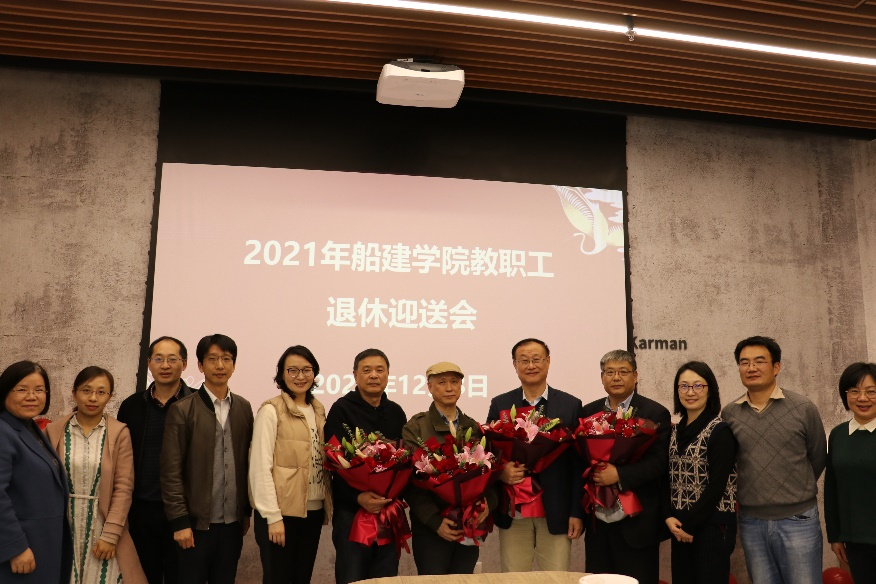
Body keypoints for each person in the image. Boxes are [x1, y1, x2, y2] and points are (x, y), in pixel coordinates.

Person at [722, 335, 826, 584]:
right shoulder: (730, 413)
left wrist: (795, 488)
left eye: (759, 361)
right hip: (751, 521)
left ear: (776, 367)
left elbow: (818, 456)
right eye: (744, 362)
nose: (751, 368)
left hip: (798, 519)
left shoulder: (803, 407)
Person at [160, 334, 254, 584]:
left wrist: (245, 512)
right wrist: (180, 522)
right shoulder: (182, 409)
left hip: (232, 524)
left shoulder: (243, 408)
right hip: (194, 525)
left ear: (234, 365)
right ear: (201, 366)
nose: (220, 365)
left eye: (226, 359)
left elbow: (246, 464)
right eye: (212, 359)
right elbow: (170, 472)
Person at [485, 338, 584, 572]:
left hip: (556, 510)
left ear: (548, 362)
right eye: (524, 360)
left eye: (536, 359)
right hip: (514, 511)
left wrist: (576, 512)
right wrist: (501, 472)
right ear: (515, 364)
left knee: (556, 577)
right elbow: (488, 453)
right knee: (514, 577)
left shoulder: (570, 405)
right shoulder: (500, 403)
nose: (531, 365)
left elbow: (578, 464)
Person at [46, 366, 147, 584]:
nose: (93, 398)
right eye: (86, 390)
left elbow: (123, 487)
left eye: (101, 392)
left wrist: (111, 535)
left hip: (102, 527)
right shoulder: (54, 431)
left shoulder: (119, 432)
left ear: (110, 396)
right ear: (74, 393)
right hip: (63, 526)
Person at [580, 349, 671, 584]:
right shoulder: (588, 413)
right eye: (610, 372)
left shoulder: (655, 413)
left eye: (623, 372)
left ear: (635, 376)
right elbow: (579, 462)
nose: (616, 378)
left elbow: (659, 464)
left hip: (637, 524)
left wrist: (619, 475)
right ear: (602, 378)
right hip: (598, 526)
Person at [402, 361, 497, 575]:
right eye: (442, 382)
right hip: (432, 528)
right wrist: (435, 521)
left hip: (468, 523)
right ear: (429, 387)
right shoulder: (415, 427)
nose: (449, 388)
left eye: (454, 382)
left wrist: (488, 504)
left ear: (461, 387)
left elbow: (489, 474)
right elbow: (412, 481)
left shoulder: (473, 427)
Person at [323, 348, 407, 584]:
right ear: (355, 375)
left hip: (387, 512)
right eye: (367, 370)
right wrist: (358, 497)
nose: (373, 375)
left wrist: (391, 496)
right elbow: (334, 462)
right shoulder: (341, 409)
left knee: (386, 579)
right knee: (352, 577)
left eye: (380, 370)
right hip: (352, 512)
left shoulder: (396, 412)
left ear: (388, 374)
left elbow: (404, 461)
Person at [249, 345, 331, 584]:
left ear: (314, 373)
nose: (300, 376)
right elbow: (260, 467)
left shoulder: (318, 410)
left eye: (306, 370)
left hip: (312, 511)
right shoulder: (271, 410)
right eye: (292, 370)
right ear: (282, 375)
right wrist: (272, 516)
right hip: (280, 514)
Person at [117, 336, 193, 584]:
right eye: (158, 359)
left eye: (172, 359)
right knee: (142, 578)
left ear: (184, 363)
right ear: (149, 363)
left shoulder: (197, 404)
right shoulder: (131, 406)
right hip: (141, 512)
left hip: (183, 513)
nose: (165, 365)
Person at [663, 361, 737, 584]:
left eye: (698, 386)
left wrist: (690, 525)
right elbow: (667, 477)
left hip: (712, 527)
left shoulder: (720, 431)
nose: (690, 392)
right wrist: (668, 516)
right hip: (679, 526)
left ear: (710, 390)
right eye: (684, 386)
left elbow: (717, 486)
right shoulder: (674, 431)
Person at [0, 361, 72, 583]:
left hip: (41, 544)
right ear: (4, 391)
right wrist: (15, 547)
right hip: (20, 551)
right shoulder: (3, 431)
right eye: (22, 389)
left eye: (39, 390)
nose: (31, 396)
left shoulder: (28, 427)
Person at [825, 362, 876, 584]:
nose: (862, 398)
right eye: (854, 391)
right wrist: (835, 536)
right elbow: (831, 488)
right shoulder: (838, 435)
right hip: (855, 539)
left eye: (871, 391)